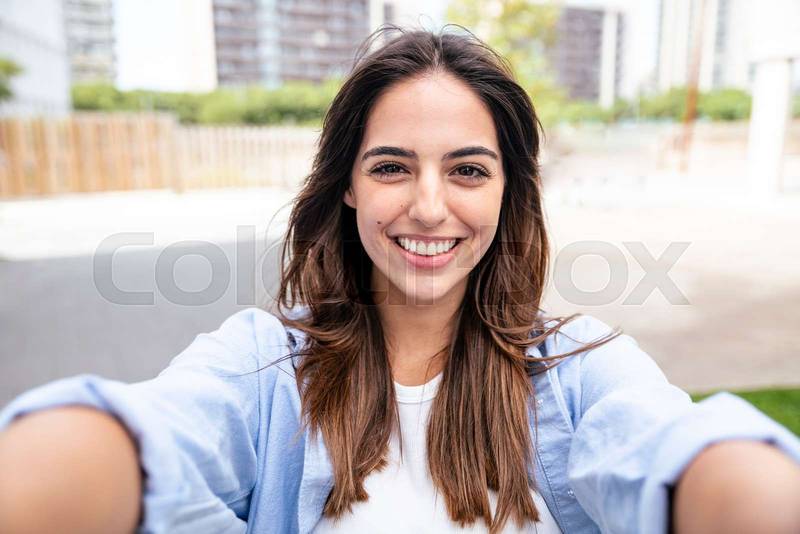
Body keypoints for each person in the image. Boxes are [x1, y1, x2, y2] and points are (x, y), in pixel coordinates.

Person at [1, 26, 799, 534]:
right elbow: (153, 441)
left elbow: (676, 450)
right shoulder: (261, 362)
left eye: (467, 170)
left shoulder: (581, 368)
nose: (428, 206)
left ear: (507, 191)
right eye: (392, 166)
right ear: (346, 184)